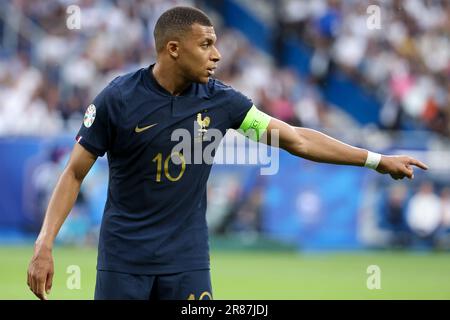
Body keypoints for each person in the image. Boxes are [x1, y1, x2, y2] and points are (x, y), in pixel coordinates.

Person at [27, 6, 428, 300]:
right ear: (173, 49)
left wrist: (376, 159)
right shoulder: (117, 100)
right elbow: (74, 174)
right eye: (205, 45)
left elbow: (295, 139)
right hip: (123, 262)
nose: (217, 54)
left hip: (187, 264)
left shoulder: (223, 103)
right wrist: (44, 244)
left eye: (216, 44)